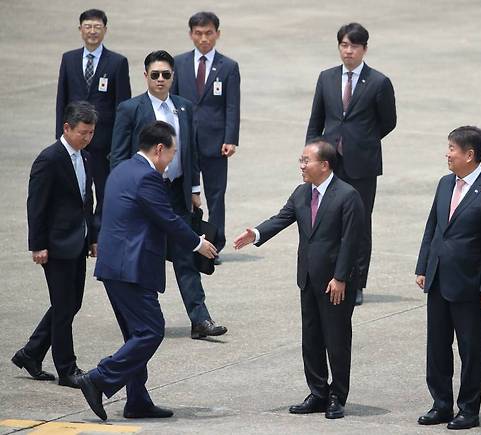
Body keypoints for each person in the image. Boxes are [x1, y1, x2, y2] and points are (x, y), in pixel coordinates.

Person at [78, 121, 218, 421]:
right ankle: (99, 378)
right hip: (132, 268)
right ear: (158, 149)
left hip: (115, 267)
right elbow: (167, 219)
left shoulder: (123, 170)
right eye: (172, 153)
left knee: (135, 335)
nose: (172, 159)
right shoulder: (147, 178)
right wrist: (198, 244)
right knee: (151, 331)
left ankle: (137, 401)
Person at [233, 140, 365, 419]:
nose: (301, 166)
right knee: (312, 339)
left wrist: (340, 277)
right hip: (307, 278)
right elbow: (281, 218)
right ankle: (317, 392)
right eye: (301, 161)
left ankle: (337, 396)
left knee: (337, 340)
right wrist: (255, 234)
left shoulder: (347, 195)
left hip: (335, 283)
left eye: (306, 161)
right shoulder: (302, 193)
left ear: (325, 165)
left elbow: (352, 241)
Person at [110, 50, 227, 339]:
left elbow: (190, 151)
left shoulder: (184, 107)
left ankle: (200, 320)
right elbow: (118, 155)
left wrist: (194, 189)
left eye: (166, 75)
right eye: (155, 75)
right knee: (145, 255)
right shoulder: (130, 109)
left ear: (173, 76)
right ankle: (142, 317)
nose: (160, 80)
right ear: (146, 76)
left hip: (176, 191)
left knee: (187, 252)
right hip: (144, 195)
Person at [415, 126, 481, 430]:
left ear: (470, 154)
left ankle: (468, 409)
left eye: (452, 149)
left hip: (469, 286)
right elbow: (433, 227)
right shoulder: (444, 184)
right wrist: (423, 266)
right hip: (439, 279)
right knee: (437, 347)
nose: (448, 154)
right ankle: (441, 404)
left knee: (470, 350)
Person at [306, 22, 396, 305]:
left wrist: (362, 141)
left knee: (358, 223)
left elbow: (388, 121)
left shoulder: (379, 82)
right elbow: (316, 120)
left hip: (362, 164)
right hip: (329, 163)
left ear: (364, 49)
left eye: (354, 46)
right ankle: (332, 276)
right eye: (344, 45)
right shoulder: (327, 78)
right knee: (327, 221)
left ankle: (356, 282)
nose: (348, 51)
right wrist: (311, 154)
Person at [12, 101, 98, 389]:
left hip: (78, 242)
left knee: (71, 303)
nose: (87, 138)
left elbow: (87, 200)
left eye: (91, 133)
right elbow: (36, 205)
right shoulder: (49, 159)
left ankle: (31, 353)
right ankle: (67, 369)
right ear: (66, 128)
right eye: (82, 132)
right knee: (63, 307)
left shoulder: (85, 158)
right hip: (56, 245)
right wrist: (38, 245)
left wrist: (93, 237)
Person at [172, 11, 240, 264]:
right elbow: (173, 102)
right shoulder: (178, 63)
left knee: (215, 195)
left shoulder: (228, 66)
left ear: (217, 34)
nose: (204, 38)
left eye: (208, 33)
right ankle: (187, 241)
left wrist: (230, 138)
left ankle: (215, 243)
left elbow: (232, 106)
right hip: (185, 141)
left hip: (215, 142)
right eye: (198, 34)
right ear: (191, 35)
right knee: (184, 192)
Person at [56, 9, 131, 210]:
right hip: (74, 139)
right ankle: (83, 234)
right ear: (80, 29)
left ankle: (100, 236)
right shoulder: (69, 59)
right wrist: (60, 139)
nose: (92, 31)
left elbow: (123, 107)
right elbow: (61, 100)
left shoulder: (117, 62)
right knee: (77, 190)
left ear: (105, 30)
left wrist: (119, 144)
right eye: (88, 26)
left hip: (104, 144)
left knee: (105, 191)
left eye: (97, 27)